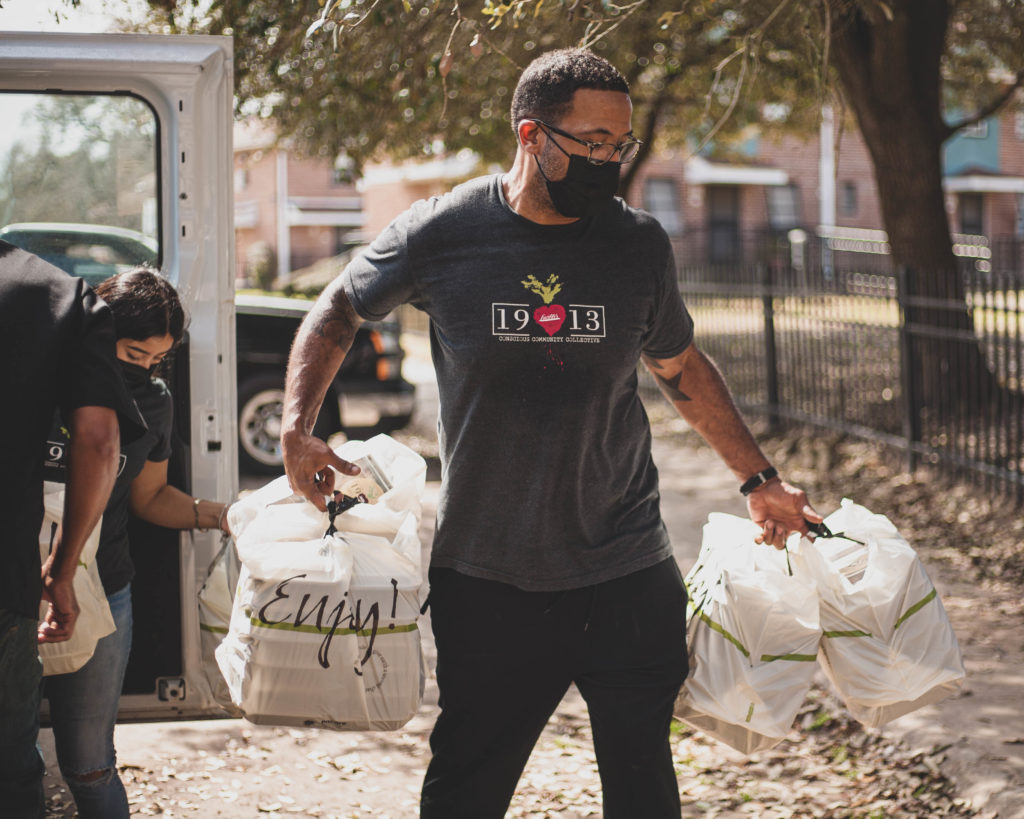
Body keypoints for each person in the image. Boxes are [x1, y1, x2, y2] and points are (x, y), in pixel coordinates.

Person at [281, 48, 823, 818]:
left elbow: (678, 366)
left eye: (621, 145)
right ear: (532, 136)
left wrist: (759, 481)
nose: (610, 161)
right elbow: (338, 309)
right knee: (468, 786)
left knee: (643, 784)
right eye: (593, 144)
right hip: (492, 576)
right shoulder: (444, 232)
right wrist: (298, 426)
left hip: (627, 566)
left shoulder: (637, 244)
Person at [41, 266, 232, 819]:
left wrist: (220, 516)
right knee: (14, 753)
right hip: (17, 587)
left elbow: (151, 497)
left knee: (91, 763)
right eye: (133, 355)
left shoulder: (154, 402)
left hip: (106, 591)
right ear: (97, 332)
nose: (144, 372)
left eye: (157, 361)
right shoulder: (41, 379)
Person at [0, 239, 144, 819]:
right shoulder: (54, 293)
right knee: (11, 771)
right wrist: (61, 571)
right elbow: (100, 442)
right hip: (6, 585)